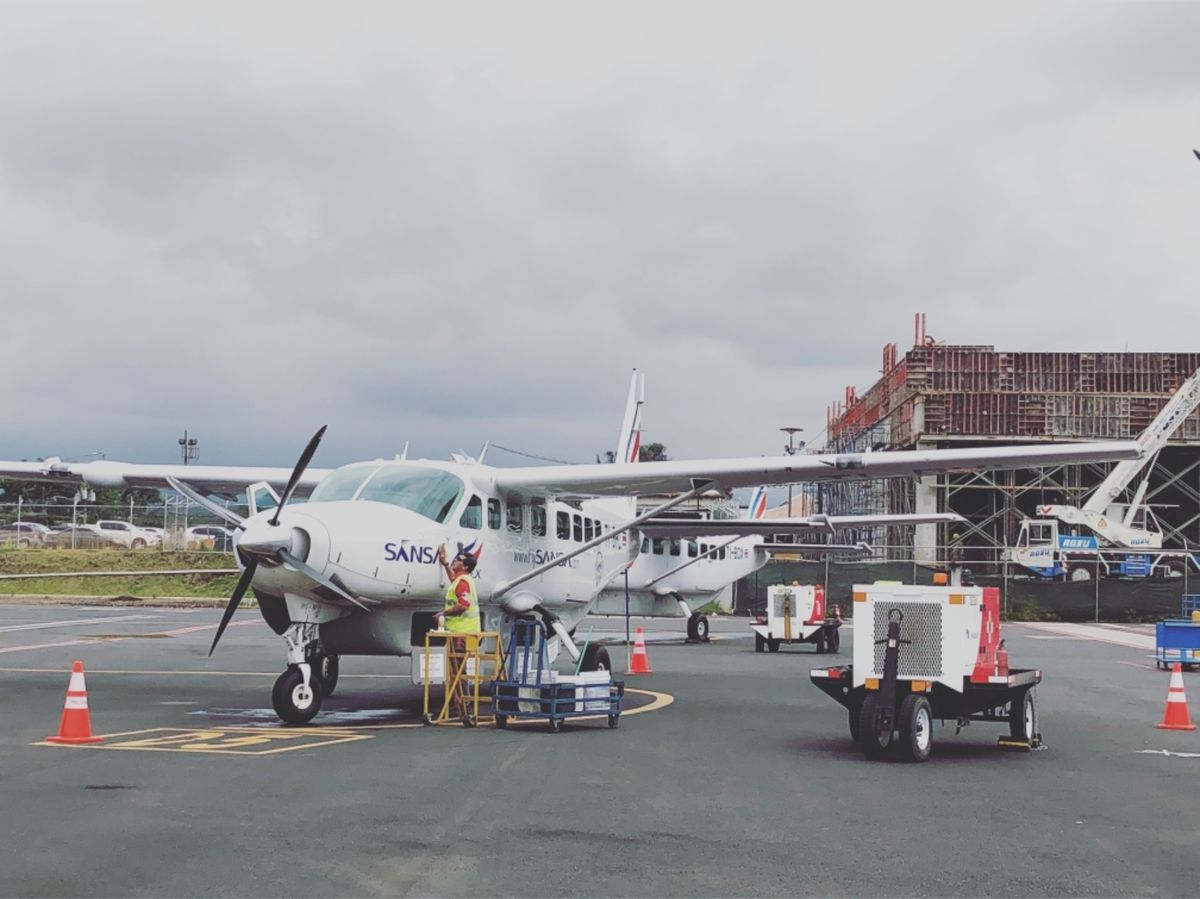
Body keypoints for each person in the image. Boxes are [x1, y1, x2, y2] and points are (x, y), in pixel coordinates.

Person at [436, 546, 481, 718]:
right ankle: (459, 703)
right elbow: (453, 579)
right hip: (460, 632)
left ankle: (465, 706)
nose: (455, 560)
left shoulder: (463, 582)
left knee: (459, 670)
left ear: (466, 567)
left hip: (462, 634)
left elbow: (463, 605)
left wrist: (443, 613)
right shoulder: (461, 579)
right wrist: (446, 564)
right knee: (456, 670)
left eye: (458, 560)